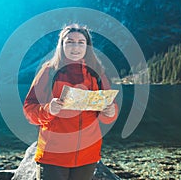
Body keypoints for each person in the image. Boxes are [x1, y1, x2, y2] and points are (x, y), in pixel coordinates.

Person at [23, 24, 118, 180]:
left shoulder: (97, 74)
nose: (76, 46)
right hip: (54, 155)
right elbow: (29, 109)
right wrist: (48, 109)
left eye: (81, 42)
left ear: (87, 46)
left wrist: (110, 112)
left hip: (88, 155)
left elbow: (107, 114)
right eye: (70, 41)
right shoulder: (49, 71)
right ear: (61, 45)